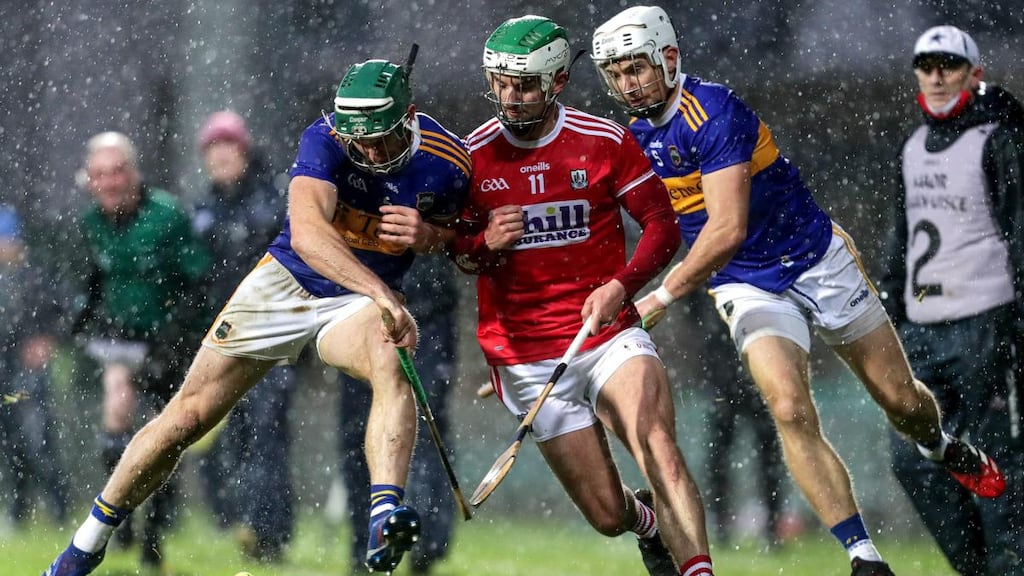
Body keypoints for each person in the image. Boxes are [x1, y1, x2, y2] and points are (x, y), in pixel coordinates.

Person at [590, 7, 1008, 576]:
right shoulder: (632, 138)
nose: (626, 84)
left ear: (668, 58)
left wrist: (661, 296)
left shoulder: (713, 110)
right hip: (743, 282)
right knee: (787, 406)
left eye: (635, 68)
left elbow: (726, 228)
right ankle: (864, 557)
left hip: (816, 260)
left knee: (901, 400)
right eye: (614, 74)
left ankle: (936, 442)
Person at [43, 57, 470, 576]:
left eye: (383, 138)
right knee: (187, 417)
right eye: (363, 141)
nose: (372, 152)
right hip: (286, 284)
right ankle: (86, 544)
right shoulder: (327, 137)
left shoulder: (452, 162)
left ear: (410, 116)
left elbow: (468, 244)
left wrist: (431, 238)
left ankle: (384, 513)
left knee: (395, 352)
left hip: (355, 307)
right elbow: (310, 237)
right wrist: (382, 290)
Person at [453, 15, 714, 576]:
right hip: (523, 356)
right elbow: (459, 253)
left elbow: (662, 226)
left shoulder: (603, 140)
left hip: (607, 337)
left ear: (557, 84)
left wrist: (622, 286)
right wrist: (482, 242)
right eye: (499, 82)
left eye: (523, 84)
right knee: (606, 516)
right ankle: (646, 523)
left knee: (657, 447)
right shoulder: (471, 156)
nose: (509, 96)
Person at [880, 25, 1024, 576]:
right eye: (926, 65)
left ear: (974, 73)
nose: (936, 76)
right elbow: (901, 237)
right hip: (921, 328)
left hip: (987, 322)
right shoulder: (911, 147)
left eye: (949, 65)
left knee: (997, 463)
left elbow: (1017, 234)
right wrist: (888, 311)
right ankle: (977, 567)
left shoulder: (999, 140)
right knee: (913, 460)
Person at [66, 131, 211, 570]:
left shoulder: (167, 216)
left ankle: (153, 535)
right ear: (89, 181)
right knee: (116, 414)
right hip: (122, 338)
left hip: (171, 340)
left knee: (166, 439)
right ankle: (120, 514)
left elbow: (198, 284)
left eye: (116, 172)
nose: (109, 183)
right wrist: (77, 320)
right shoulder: (90, 222)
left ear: (133, 173)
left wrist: (173, 342)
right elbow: (91, 277)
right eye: (100, 175)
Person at [192, 110, 297, 562]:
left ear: (242, 150)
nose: (219, 157)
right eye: (211, 149)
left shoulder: (274, 201)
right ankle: (245, 522)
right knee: (230, 436)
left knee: (266, 433)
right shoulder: (201, 210)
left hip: (273, 337)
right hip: (224, 340)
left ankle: (268, 531)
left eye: (226, 147)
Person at [339, 253, 459, 575]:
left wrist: (426, 235)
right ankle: (367, 539)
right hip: (359, 315)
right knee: (356, 432)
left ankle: (424, 542)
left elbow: (456, 233)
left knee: (424, 424)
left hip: (427, 311)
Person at [691, 293, 784, 547]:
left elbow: (694, 308)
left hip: (750, 369)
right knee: (727, 453)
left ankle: (770, 526)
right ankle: (725, 525)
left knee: (766, 452)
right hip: (731, 370)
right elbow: (693, 306)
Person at [0, 203, 69, 526]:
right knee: (10, 441)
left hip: (27, 372)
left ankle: (59, 508)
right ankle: (18, 511)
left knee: (36, 438)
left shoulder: (35, 276)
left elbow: (60, 313)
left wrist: (47, 340)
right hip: (4, 369)